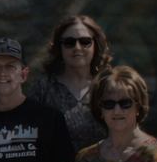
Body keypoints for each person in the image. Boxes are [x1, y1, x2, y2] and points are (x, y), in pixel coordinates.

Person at [28, 15, 112, 152]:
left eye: (85, 41)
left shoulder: (109, 87)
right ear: (59, 47)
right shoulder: (42, 89)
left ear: (96, 45)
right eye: (69, 42)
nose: (77, 47)